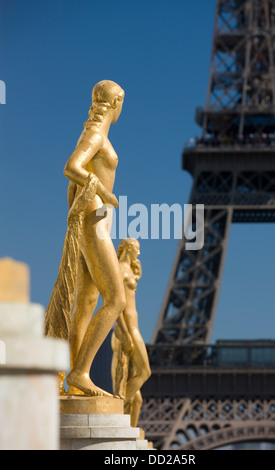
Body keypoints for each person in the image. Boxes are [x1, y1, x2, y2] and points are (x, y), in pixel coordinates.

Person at [45, 80, 133, 396]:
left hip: (95, 219)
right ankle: (81, 371)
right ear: (117, 102)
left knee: (86, 300)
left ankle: (74, 378)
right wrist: (105, 193)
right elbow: (72, 167)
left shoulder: (99, 134)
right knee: (117, 299)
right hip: (94, 217)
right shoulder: (96, 134)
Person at [112, 238, 151, 426]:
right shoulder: (118, 269)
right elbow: (115, 305)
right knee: (145, 371)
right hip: (128, 328)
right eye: (137, 249)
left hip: (134, 327)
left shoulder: (128, 270)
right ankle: (117, 407)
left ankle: (120, 408)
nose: (139, 253)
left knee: (141, 380)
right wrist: (125, 333)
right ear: (128, 248)